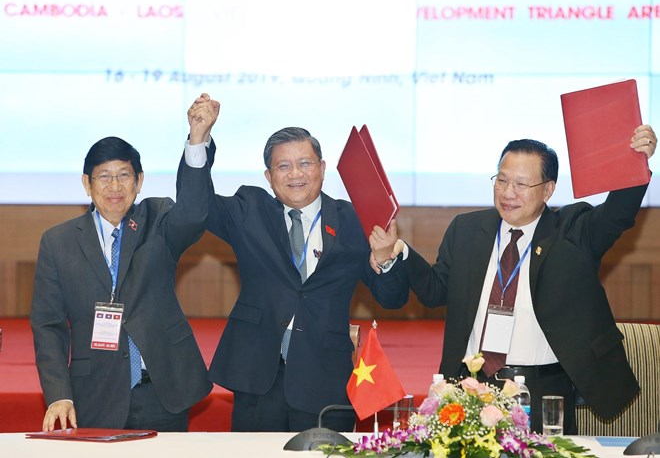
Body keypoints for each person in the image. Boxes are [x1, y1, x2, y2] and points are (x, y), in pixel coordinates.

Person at [370, 125, 657, 434]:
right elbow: (436, 291)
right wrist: (398, 251)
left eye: (521, 184)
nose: (508, 193)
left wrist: (635, 161)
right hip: (470, 387)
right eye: (502, 180)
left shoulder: (572, 231)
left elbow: (617, 215)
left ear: (548, 190)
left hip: (541, 388)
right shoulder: (467, 229)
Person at [188, 107, 410, 432]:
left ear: (322, 168)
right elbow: (197, 205)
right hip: (258, 375)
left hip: (325, 376)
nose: (295, 174)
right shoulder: (249, 210)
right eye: (283, 166)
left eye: (305, 163)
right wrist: (198, 139)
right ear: (268, 176)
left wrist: (386, 258)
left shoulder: (353, 220)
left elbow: (393, 298)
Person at [30, 95, 219, 432]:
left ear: (139, 181)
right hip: (95, 391)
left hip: (161, 386)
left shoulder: (157, 218)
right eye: (103, 177)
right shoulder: (58, 242)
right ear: (86, 184)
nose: (114, 187)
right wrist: (59, 392)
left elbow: (193, 214)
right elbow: (48, 325)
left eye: (124, 176)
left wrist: (197, 140)